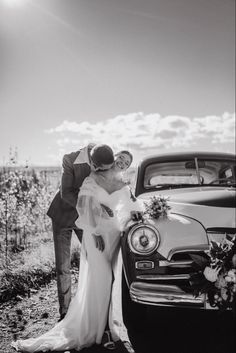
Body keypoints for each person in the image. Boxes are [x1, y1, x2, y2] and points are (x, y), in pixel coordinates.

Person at [12, 150, 142, 352]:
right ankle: (97, 327)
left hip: (114, 235)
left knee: (110, 280)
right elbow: (84, 206)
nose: (123, 163)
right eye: (121, 158)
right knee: (103, 277)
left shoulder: (124, 185)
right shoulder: (93, 177)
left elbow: (130, 207)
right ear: (112, 158)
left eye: (127, 162)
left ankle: (106, 324)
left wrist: (141, 212)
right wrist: (95, 230)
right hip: (95, 234)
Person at [46, 143, 115, 321]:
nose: (102, 171)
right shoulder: (70, 159)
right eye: (100, 168)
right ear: (92, 162)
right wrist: (93, 207)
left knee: (92, 261)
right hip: (62, 216)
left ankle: (90, 307)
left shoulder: (105, 158)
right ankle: (65, 311)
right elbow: (66, 193)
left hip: (86, 220)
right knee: (63, 266)